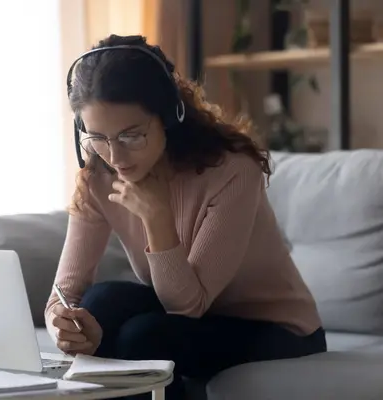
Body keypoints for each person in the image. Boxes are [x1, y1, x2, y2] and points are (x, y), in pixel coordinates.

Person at [44, 34, 326, 398]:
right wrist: (60, 324)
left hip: (273, 326)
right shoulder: (98, 177)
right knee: (100, 304)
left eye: (132, 135)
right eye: (97, 137)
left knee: (145, 336)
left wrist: (157, 218)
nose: (114, 155)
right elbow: (63, 293)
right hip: (186, 314)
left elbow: (188, 306)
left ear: (169, 116)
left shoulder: (231, 171)